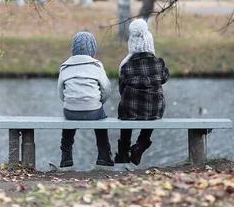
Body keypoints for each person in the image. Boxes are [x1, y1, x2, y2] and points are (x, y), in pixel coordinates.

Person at [115, 18, 169, 166]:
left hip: (130, 111)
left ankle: (124, 151)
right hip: (153, 111)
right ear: (150, 44)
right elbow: (165, 78)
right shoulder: (159, 64)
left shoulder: (125, 66)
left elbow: (121, 90)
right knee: (155, 103)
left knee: (124, 107)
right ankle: (141, 144)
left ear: (131, 45)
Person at [57, 31, 113, 167]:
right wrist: (98, 102)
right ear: (92, 50)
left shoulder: (65, 67)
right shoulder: (97, 66)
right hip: (94, 109)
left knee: (69, 118)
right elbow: (106, 89)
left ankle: (66, 154)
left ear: (73, 50)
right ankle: (104, 154)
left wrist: (70, 102)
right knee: (102, 118)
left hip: (70, 110)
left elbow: (61, 92)